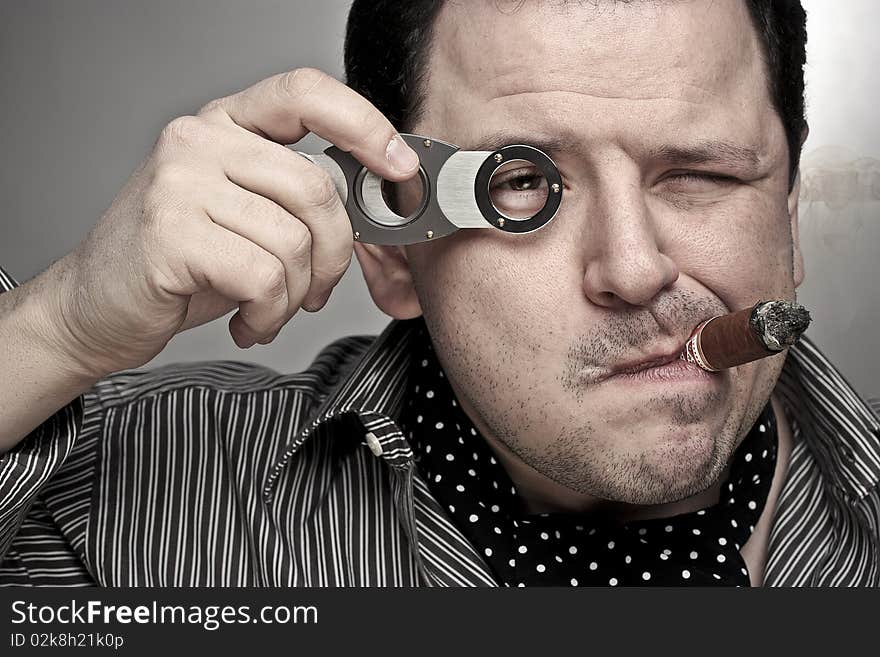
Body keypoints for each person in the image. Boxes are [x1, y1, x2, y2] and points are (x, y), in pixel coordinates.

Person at [1, 0, 877, 587]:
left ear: (789, 211)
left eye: (701, 174)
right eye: (525, 187)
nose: (635, 267)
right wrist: (52, 332)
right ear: (389, 253)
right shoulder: (116, 500)